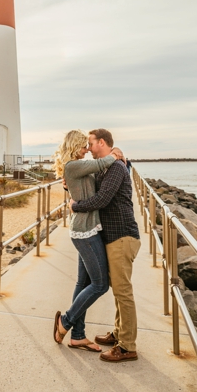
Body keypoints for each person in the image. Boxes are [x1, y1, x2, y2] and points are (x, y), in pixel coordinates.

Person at [71, 128, 141, 363]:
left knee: (123, 292)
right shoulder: (108, 166)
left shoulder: (115, 167)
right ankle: (119, 333)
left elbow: (102, 199)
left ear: (102, 142)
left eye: (91, 143)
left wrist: (75, 206)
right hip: (112, 236)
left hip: (122, 236)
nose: (88, 148)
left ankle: (127, 346)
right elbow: (91, 187)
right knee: (118, 290)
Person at [51, 129, 122, 352]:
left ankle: (78, 336)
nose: (88, 149)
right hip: (85, 232)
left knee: (83, 284)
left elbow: (90, 182)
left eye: (89, 145)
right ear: (75, 146)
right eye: (84, 145)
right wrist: (116, 155)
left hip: (89, 229)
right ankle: (66, 321)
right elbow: (101, 165)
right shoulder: (73, 166)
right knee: (100, 285)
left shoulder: (76, 166)